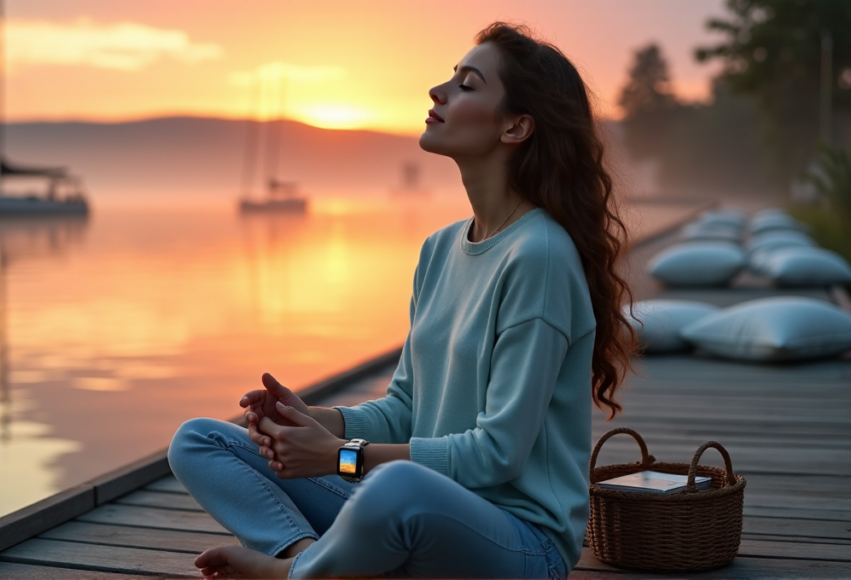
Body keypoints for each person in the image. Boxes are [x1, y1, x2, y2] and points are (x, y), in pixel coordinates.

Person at [168, 21, 636, 579]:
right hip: (419, 510)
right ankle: (305, 559)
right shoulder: (439, 249)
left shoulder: (539, 256)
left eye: (466, 84)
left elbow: (496, 454)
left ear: (516, 126)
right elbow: (405, 410)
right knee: (198, 439)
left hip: (520, 544)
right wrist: (311, 419)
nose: (438, 91)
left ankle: (293, 574)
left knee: (394, 485)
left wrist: (339, 458)